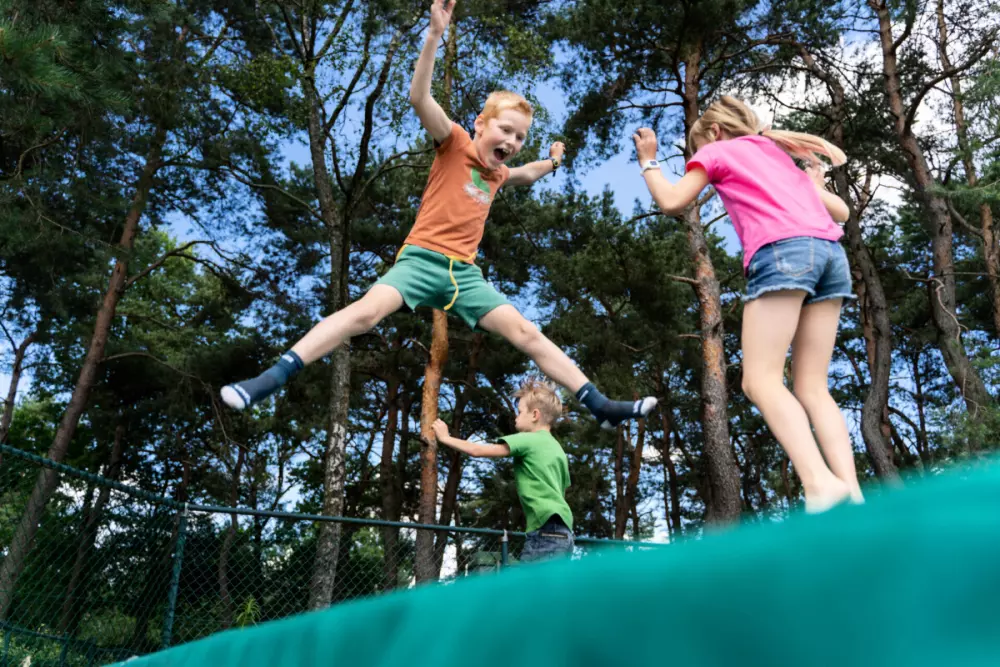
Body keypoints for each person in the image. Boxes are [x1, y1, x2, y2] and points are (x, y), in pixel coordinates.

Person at [222, 0, 656, 430]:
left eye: (520, 136)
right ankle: (269, 378)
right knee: (365, 314)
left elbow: (527, 173)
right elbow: (419, 97)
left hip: (464, 276)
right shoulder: (455, 142)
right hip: (420, 261)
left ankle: (597, 402)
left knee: (526, 333)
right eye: (505, 130)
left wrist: (554, 161)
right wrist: (434, 35)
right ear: (480, 125)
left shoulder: (499, 174)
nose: (512, 140)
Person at [633, 96, 862, 513]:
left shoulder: (718, 151)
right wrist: (815, 186)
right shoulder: (775, 155)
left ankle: (819, 485)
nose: (699, 155)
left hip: (783, 253)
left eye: (697, 147)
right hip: (831, 256)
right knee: (813, 386)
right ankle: (852, 491)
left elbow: (671, 201)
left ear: (714, 133)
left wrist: (649, 161)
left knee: (760, 380)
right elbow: (841, 212)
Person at [433, 379, 574, 562]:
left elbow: (477, 451)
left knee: (529, 589)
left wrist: (445, 437)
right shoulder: (558, 450)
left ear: (535, 415)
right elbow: (562, 489)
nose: (516, 416)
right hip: (565, 534)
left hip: (545, 533)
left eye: (520, 411)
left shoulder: (529, 439)